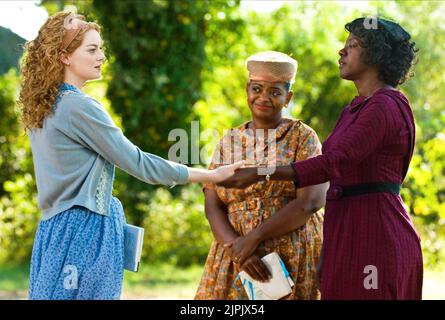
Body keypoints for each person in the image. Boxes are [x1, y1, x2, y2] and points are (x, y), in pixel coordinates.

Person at [17, 11, 241, 300]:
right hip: (86, 229)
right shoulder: (78, 107)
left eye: (101, 48)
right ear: (64, 57)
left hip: (52, 230)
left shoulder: (44, 106)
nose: (101, 56)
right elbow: (139, 163)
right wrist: (210, 175)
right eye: (92, 49)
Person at [219, 17, 423, 300]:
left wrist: (259, 171)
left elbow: (333, 163)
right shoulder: (355, 108)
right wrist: (328, 252)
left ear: (376, 56)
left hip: (374, 231)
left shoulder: (385, 105)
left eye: (352, 46)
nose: (341, 52)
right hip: (345, 228)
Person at [195, 51, 328, 300]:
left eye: (275, 92)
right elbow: (213, 204)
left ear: (288, 98)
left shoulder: (303, 137)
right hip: (236, 255)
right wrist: (238, 249)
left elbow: (311, 201)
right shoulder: (229, 140)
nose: (263, 97)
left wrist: (254, 238)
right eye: (257, 89)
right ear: (247, 90)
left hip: (290, 254)